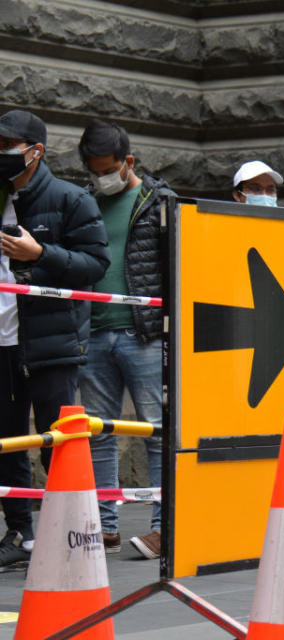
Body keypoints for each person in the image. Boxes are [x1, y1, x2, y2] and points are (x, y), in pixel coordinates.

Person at [0, 109, 109, 570]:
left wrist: (40, 252)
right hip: (3, 342)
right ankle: (20, 533)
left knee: (57, 442)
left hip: (51, 344)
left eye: (5, 145)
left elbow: (95, 265)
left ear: (34, 151)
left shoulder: (70, 199)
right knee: (7, 441)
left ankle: (68, 531)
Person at [78, 120, 173, 559]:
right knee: (98, 435)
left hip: (145, 334)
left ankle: (162, 527)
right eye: (93, 171)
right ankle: (105, 527)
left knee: (156, 431)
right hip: (94, 333)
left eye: (107, 169)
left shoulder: (159, 202)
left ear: (128, 162)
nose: (100, 178)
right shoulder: (83, 203)